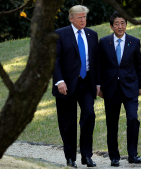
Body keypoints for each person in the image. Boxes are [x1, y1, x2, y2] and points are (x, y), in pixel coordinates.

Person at [52, 5, 100, 168]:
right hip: (66, 85)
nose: (83, 20)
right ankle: (70, 158)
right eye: (79, 17)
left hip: (86, 83)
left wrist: (98, 83)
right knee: (68, 122)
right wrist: (59, 81)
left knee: (89, 115)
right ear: (71, 18)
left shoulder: (92, 35)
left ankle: (86, 156)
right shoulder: (60, 34)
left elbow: (96, 62)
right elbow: (54, 61)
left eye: (84, 17)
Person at [98, 11, 141, 167]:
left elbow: (139, 65)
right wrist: (99, 85)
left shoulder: (134, 42)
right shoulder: (104, 42)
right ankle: (114, 157)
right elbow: (100, 67)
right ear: (111, 26)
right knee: (112, 124)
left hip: (130, 88)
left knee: (132, 118)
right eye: (117, 24)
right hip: (110, 89)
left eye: (123, 23)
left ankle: (133, 155)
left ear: (126, 25)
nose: (120, 26)